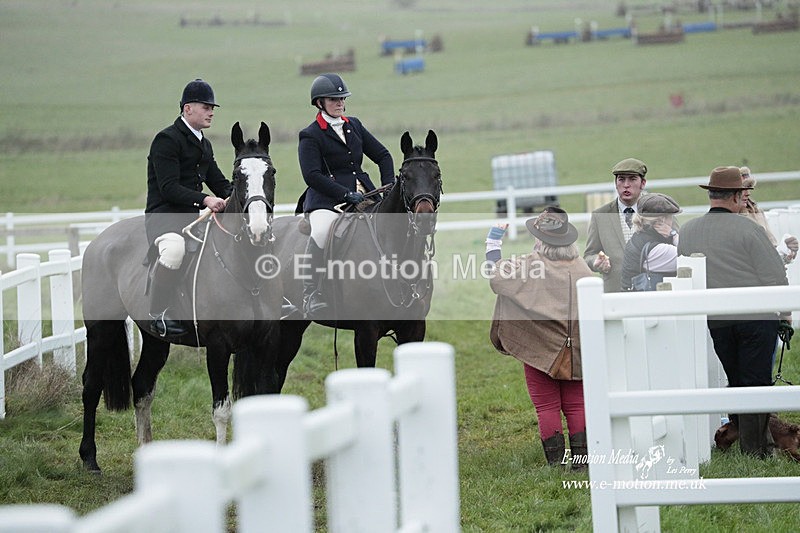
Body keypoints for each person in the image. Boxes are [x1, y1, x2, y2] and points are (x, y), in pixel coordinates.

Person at [678, 166, 789, 458]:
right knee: (756, 381)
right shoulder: (749, 229)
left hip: (717, 319)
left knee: (736, 377)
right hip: (756, 317)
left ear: (712, 194)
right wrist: (785, 314)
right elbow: (775, 276)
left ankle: (742, 436)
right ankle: (756, 450)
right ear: (738, 196)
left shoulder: (688, 231)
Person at [486, 207, 594, 468]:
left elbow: (496, 277)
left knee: (547, 407)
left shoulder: (530, 266)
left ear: (540, 240)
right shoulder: (583, 269)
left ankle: (556, 465)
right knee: (577, 405)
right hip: (578, 350)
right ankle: (581, 463)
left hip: (540, 350)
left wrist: (493, 243)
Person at [297, 73, 395, 318]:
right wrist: (344, 193)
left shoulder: (354, 125)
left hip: (364, 194)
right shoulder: (310, 134)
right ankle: (311, 292)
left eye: (342, 99)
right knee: (321, 231)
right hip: (327, 199)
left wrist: (388, 185)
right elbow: (311, 175)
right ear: (319, 103)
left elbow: (383, 156)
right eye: (334, 99)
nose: (340, 103)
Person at [145, 79, 232, 337]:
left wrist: (240, 197)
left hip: (192, 220)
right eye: (206, 107)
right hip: (164, 218)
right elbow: (168, 188)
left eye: (212, 108)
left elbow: (218, 182)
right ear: (187, 109)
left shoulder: (204, 144)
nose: (211, 112)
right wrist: (206, 200)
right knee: (174, 250)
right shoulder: (166, 140)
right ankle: (158, 314)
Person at [584, 157, 648, 292]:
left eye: (632, 179)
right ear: (615, 183)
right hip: (615, 293)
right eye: (621, 179)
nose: (626, 185)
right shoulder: (600, 215)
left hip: (652, 292)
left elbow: (675, 248)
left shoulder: (657, 211)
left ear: (643, 183)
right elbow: (589, 255)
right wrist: (596, 262)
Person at [620, 193, 682, 291]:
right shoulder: (658, 249)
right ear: (662, 220)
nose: (673, 222)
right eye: (671, 217)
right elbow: (690, 257)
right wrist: (673, 234)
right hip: (645, 299)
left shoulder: (640, 237)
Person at [739, 166, 798, 265]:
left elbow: (772, 250)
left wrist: (786, 251)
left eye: (748, 188)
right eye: (742, 189)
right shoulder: (728, 217)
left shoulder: (757, 212)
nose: (748, 193)